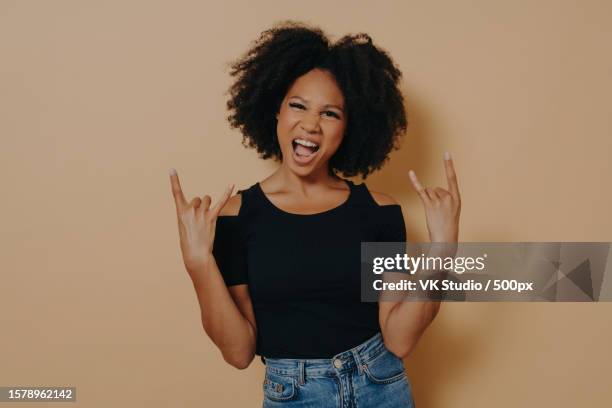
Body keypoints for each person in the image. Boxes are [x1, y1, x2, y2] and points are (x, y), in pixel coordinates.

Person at [169, 21, 461, 408]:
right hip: (293, 395)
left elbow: (400, 338)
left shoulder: (379, 211)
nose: (310, 124)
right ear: (276, 109)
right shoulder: (236, 217)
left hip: (381, 386)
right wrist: (198, 264)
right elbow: (238, 353)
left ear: (348, 127)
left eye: (330, 114)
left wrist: (443, 252)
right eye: (298, 105)